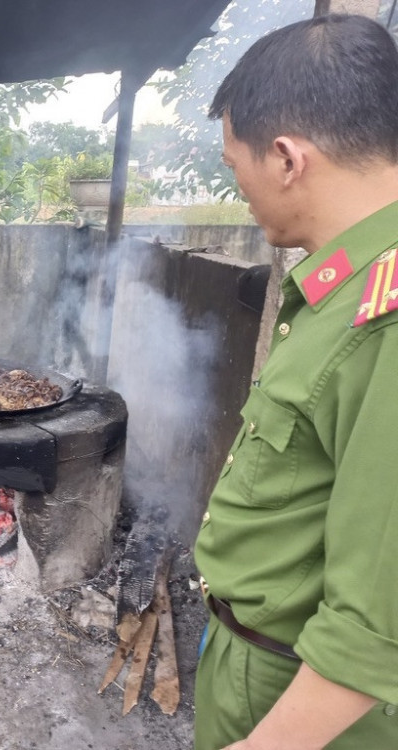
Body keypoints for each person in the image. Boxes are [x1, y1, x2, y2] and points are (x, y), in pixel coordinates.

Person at [193, 13, 398, 750]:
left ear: (285, 157)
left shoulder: (386, 322)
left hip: (298, 704)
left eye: (232, 164)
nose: (237, 188)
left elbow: (378, 623)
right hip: (253, 658)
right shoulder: (343, 286)